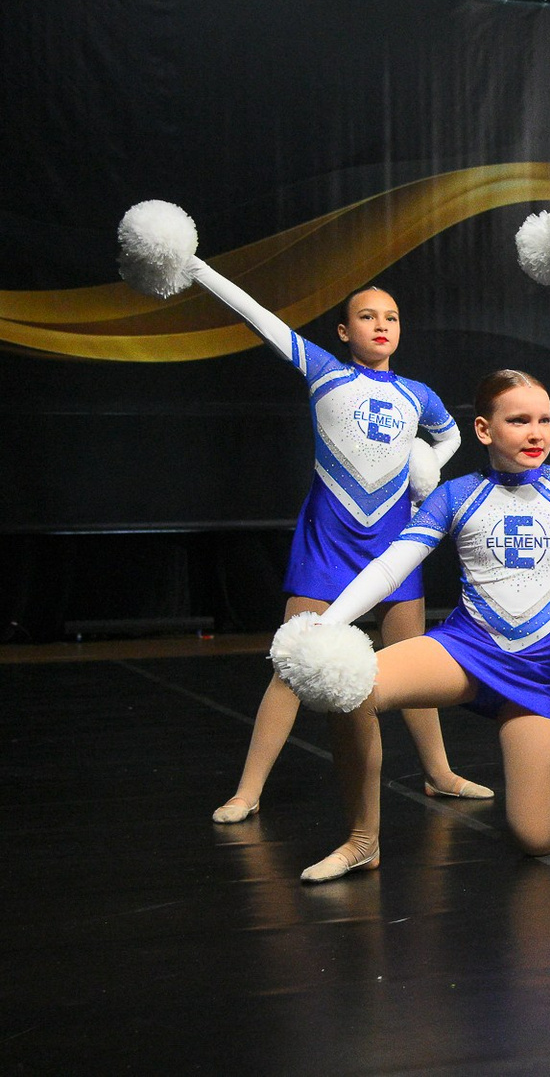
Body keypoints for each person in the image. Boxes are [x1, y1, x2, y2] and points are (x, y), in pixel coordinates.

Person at [285, 370, 550, 881]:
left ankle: (542, 804)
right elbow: (392, 566)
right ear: (484, 430)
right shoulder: (456, 494)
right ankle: (361, 840)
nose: (536, 433)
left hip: (540, 670)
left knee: (537, 839)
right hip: (466, 650)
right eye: (519, 420)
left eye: (545, 420)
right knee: (352, 685)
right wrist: (327, 624)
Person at [182, 264, 488, 824]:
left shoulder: (417, 394)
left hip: (395, 543)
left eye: (391, 317)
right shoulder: (324, 372)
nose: (381, 325)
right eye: (367, 316)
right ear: (344, 332)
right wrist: (199, 270)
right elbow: (258, 317)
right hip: (328, 543)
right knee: (293, 664)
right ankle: (248, 790)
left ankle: (439, 773)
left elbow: (449, 436)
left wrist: (425, 467)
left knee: (411, 660)